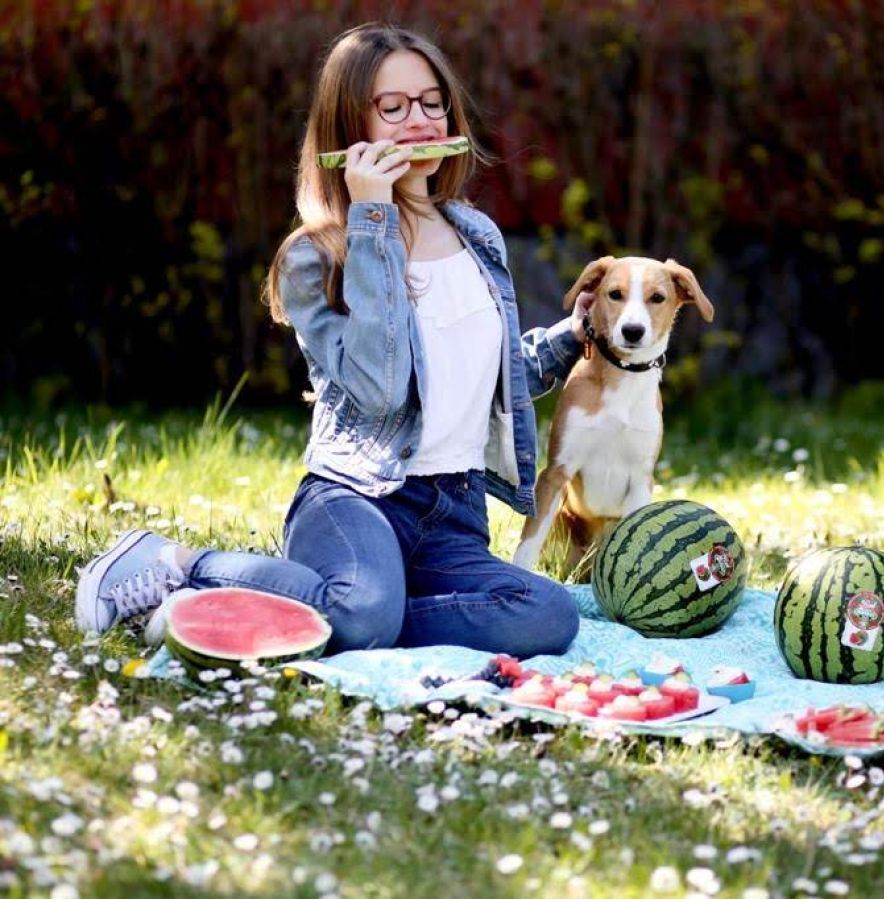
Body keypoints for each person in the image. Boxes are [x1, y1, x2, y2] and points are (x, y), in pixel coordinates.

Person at [76, 23, 585, 658]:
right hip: (355, 499)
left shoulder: (477, 236)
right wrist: (372, 217)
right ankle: (178, 563)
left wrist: (578, 333)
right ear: (350, 128)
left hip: (454, 515)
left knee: (548, 615)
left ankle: (284, 613)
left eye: (432, 103)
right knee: (362, 613)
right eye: (391, 108)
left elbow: (492, 376)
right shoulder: (316, 258)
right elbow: (379, 391)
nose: (420, 122)